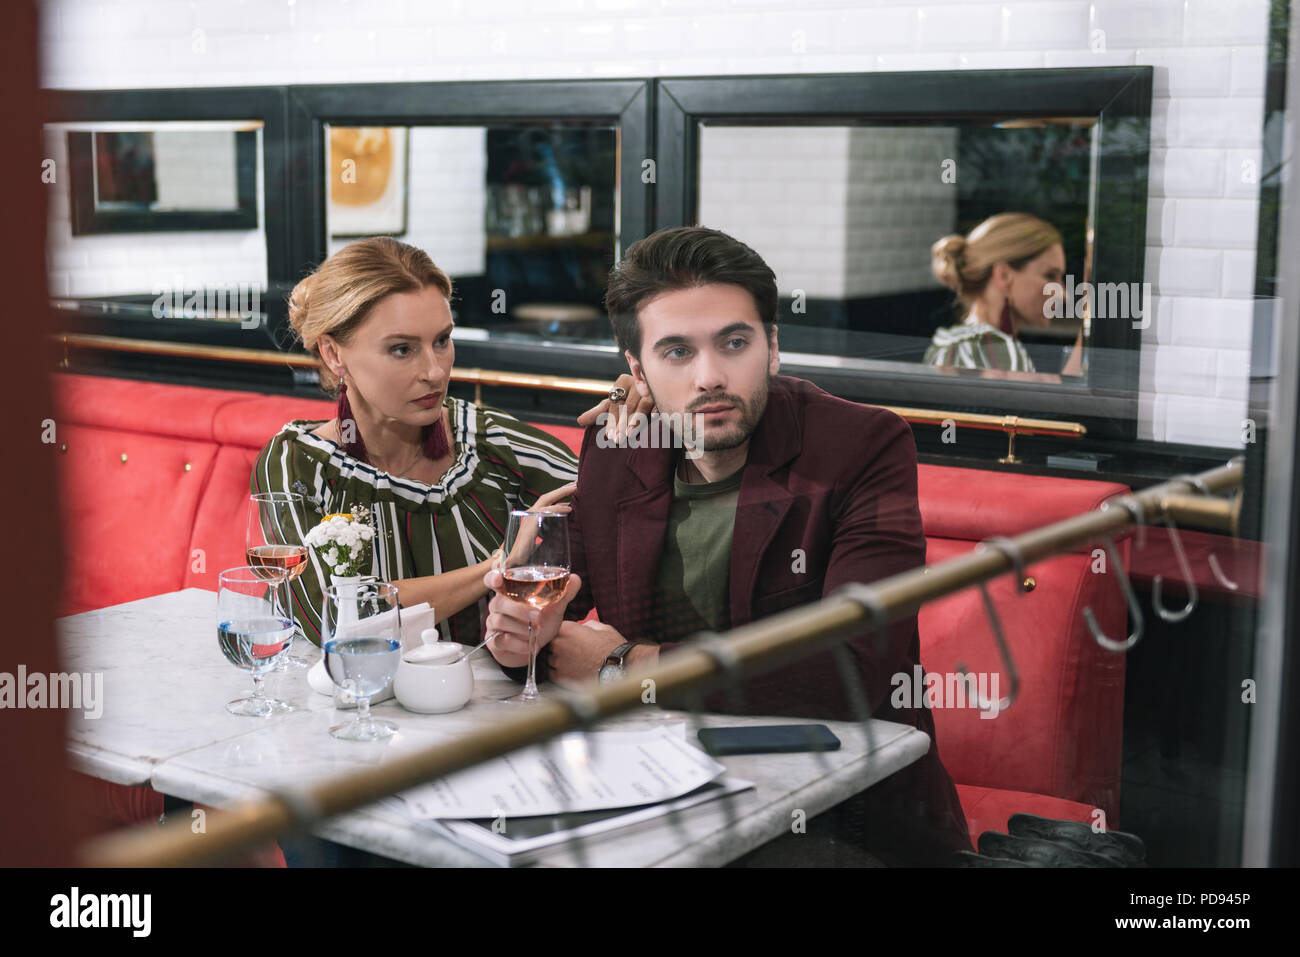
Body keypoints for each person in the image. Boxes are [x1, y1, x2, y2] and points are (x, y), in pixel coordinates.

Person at [482, 225, 972, 865]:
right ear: (639, 371)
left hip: (834, 813)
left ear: (772, 346)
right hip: (656, 789)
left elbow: (850, 669)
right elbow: (563, 608)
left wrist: (628, 666)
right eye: (677, 352)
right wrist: (518, 633)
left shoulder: (862, 447)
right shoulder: (617, 445)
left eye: (733, 343)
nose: (710, 376)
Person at [251, 236, 581, 646]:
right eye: (402, 349)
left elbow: (618, 505)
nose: (435, 371)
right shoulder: (297, 465)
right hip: (345, 703)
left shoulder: (491, 444)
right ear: (334, 354)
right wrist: (497, 567)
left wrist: (636, 407)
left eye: (442, 340)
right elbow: (334, 619)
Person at [925, 212, 1082, 376]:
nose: (1063, 294)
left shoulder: (946, 344)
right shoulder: (997, 350)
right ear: (1003, 276)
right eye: (1050, 276)